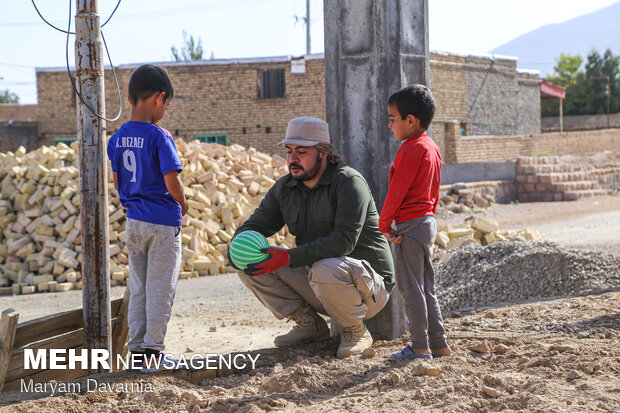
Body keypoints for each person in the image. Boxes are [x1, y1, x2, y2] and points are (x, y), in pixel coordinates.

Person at [230, 116, 395, 359]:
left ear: (323, 153)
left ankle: (355, 331)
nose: (292, 159)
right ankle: (310, 325)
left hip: (369, 288)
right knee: (250, 265)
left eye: (301, 152)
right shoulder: (285, 189)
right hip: (321, 284)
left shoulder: (349, 183)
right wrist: (236, 249)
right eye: (288, 151)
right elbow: (254, 226)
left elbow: (343, 242)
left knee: (324, 266)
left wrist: (287, 258)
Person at [107, 64, 188, 371]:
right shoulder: (160, 137)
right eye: (166, 105)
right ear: (159, 98)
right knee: (160, 288)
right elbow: (172, 181)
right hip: (162, 223)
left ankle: (137, 351)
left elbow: (118, 182)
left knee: (138, 286)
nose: (165, 110)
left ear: (130, 100)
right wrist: (184, 203)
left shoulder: (115, 140)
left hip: (134, 223)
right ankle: (154, 352)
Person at [379, 84, 451, 360]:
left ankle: (419, 347)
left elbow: (396, 192)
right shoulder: (431, 147)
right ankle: (439, 343)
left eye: (393, 119)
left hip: (410, 224)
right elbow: (434, 190)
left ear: (411, 120)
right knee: (425, 287)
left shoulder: (410, 149)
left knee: (410, 288)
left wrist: (384, 224)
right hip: (426, 221)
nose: (390, 125)